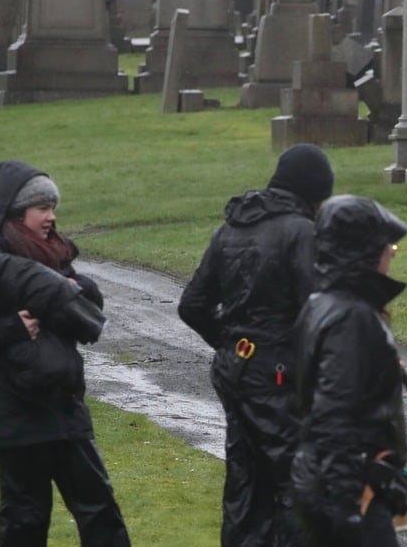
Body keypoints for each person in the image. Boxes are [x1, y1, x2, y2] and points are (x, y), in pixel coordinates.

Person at [0, 160, 130, 547]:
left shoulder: (56, 255)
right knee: (24, 521)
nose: (51, 217)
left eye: (52, 207)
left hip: (64, 407)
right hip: (15, 412)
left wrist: (78, 286)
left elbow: (88, 312)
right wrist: (12, 328)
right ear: (17, 212)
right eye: (42, 208)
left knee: (100, 513)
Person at [178, 144, 335, 547]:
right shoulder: (301, 232)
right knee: (296, 484)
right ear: (312, 192)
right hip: (279, 374)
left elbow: (192, 305)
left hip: (236, 371)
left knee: (245, 485)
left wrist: (232, 343)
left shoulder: (230, 228)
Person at [290, 195, 407, 547]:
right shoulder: (350, 319)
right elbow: (335, 414)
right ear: (361, 252)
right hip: (347, 490)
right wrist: (346, 507)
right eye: (387, 246)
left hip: (332, 481)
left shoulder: (322, 304)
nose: (392, 253)